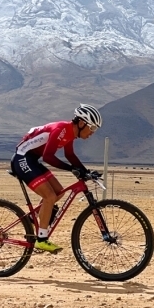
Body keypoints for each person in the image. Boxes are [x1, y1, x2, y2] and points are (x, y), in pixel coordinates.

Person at [11, 104, 102, 253]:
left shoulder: (70, 133)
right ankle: (41, 240)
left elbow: (70, 155)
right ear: (81, 123)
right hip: (22, 158)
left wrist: (86, 172)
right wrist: (72, 169)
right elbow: (48, 156)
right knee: (50, 196)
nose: (92, 132)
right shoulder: (61, 129)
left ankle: (34, 220)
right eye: (92, 128)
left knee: (59, 191)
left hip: (32, 159)